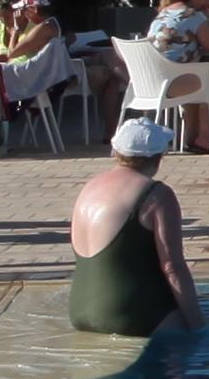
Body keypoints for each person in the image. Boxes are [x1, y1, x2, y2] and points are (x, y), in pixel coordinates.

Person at [67, 113, 201, 331]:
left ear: (117, 152)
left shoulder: (89, 187)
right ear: (160, 157)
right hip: (126, 315)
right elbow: (173, 268)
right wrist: (199, 326)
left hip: (79, 310)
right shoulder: (157, 195)